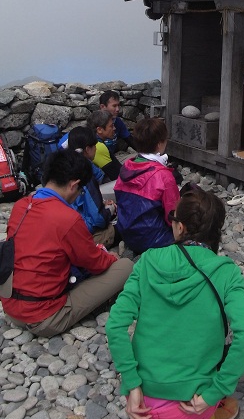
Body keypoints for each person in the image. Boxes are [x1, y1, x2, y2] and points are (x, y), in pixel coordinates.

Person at [106, 189, 244, 419]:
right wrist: (216, 390)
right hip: (194, 404)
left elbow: (115, 326)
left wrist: (132, 385)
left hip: (141, 402)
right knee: (227, 398)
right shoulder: (226, 272)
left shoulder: (148, 261)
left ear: (179, 228)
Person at [0, 150, 133, 338]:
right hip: (44, 318)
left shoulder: (22, 205)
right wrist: (110, 257)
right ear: (74, 185)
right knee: (125, 266)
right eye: (80, 191)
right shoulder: (67, 218)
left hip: (12, 308)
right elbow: (94, 263)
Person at [114, 118, 180, 254]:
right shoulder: (163, 175)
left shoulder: (127, 167)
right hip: (155, 240)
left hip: (128, 234)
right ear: (160, 144)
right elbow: (172, 216)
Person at [68, 126, 117, 247]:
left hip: (68, 228)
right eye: (94, 146)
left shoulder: (66, 166)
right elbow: (98, 219)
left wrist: (101, 203)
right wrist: (109, 210)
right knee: (118, 227)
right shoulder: (85, 175)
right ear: (87, 149)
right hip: (81, 233)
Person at [87, 110, 122, 181]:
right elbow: (116, 175)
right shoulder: (98, 147)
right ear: (99, 130)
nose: (114, 128)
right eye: (111, 126)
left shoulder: (93, 140)